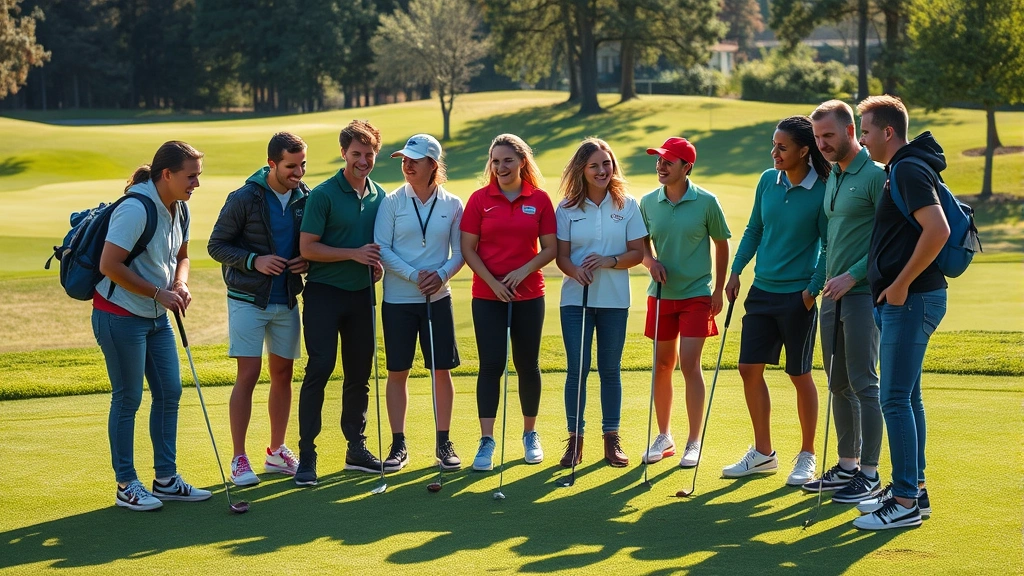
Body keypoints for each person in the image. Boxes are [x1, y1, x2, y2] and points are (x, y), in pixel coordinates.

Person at [94, 141, 211, 510]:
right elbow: (109, 265)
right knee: (128, 397)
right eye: (190, 176)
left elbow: (183, 256)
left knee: (169, 392)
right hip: (119, 314)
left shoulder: (181, 209)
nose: (196, 183)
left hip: (157, 316)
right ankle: (126, 484)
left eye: (198, 175)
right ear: (167, 174)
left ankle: (165, 478)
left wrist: (181, 283)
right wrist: (159, 293)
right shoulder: (136, 208)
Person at [852, 95, 949, 530]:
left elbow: (938, 229)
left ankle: (906, 500)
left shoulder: (907, 168)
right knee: (907, 397)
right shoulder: (902, 167)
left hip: (911, 300)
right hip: (905, 300)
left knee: (894, 398)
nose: (862, 138)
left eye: (866, 130)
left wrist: (900, 284)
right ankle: (914, 489)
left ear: (888, 132)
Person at [724, 116, 830, 486]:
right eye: (774, 145)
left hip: (796, 296)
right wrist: (736, 271)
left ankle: (807, 454)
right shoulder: (768, 181)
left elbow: (830, 246)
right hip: (762, 292)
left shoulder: (822, 190)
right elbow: (755, 229)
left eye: (782, 147)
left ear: (804, 150)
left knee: (799, 374)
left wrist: (811, 290)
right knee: (748, 368)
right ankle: (764, 453)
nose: (774, 153)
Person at [207, 132, 310, 486]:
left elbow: (311, 244)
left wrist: (305, 262)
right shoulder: (244, 198)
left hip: (286, 299)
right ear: (272, 164)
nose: (298, 173)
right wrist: (254, 260)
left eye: (302, 165)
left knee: (283, 375)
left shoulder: (305, 198)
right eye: (291, 166)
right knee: (248, 375)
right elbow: (216, 245)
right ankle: (239, 457)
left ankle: (276, 451)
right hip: (247, 300)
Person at [295, 120, 386, 486]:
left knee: (359, 375)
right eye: (356, 154)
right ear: (343, 153)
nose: (362, 161)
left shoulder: (381, 195)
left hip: (362, 295)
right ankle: (307, 455)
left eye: (369, 154)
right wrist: (355, 254)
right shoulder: (324, 194)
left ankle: (356, 448)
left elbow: (378, 247)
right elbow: (308, 248)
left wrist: (374, 264)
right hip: (324, 294)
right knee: (319, 370)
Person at [804, 101, 886, 503]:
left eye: (828, 136)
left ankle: (869, 474)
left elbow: (884, 243)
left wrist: (852, 275)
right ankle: (848, 466)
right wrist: (817, 283)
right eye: (817, 138)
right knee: (837, 383)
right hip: (832, 297)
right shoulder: (833, 175)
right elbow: (829, 241)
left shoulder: (875, 175)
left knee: (864, 384)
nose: (822, 144)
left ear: (851, 130)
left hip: (862, 294)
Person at [460, 133, 557, 471]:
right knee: (491, 366)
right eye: (495, 161)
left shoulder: (540, 199)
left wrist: (522, 271)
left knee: (527, 365)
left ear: (521, 162)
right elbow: (468, 249)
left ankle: (530, 434)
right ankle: (487, 441)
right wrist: (493, 283)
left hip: (529, 294)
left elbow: (550, 248)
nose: (500, 167)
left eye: (507, 160)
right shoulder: (478, 200)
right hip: (487, 296)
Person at [374, 134, 465, 472]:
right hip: (398, 299)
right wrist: (415, 276)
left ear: (433, 165)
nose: (406, 164)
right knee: (398, 371)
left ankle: (444, 442)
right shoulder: (392, 201)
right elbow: (382, 247)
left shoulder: (453, 204)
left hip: (438, 299)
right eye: (403, 158)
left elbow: (460, 253)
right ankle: (398, 445)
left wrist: (441, 274)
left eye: (414, 159)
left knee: (441, 370)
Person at [639, 137, 731, 469]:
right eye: (659, 161)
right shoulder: (648, 202)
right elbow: (641, 246)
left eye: (668, 162)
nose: (660, 166)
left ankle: (694, 441)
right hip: (661, 295)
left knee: (689, 363)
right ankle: (664, 436)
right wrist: (650, 263)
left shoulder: (707, 202)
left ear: (686, 167)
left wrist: (718, 290)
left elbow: (722, 245)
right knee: (662, 365)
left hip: (696, 295)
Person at [554, 138, 646, 468]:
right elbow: (561, 258)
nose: (602, 170)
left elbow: (638, 253)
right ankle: (575, 441)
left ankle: (611, 439)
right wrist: (576, 271)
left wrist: (610, 261)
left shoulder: (627, 204)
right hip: (575, 300)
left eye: (606, 164)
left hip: (614, 300)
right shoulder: (565, 208)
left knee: (610, 370)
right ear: (582, 169)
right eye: (594, 165)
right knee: (577, 371)